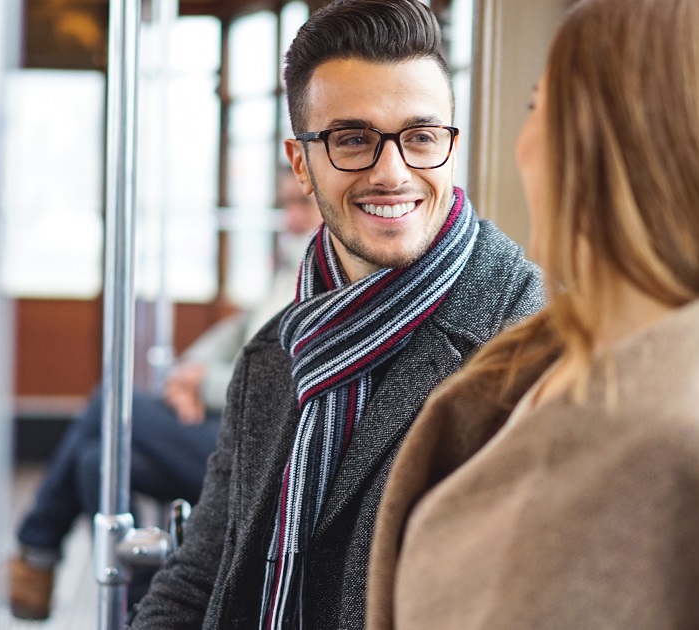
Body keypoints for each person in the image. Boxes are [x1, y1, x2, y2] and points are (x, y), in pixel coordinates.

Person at [367, 0, 699, 628]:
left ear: (616, 147)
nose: (523, 144)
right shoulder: (560, 368)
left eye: (540, 105)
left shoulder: (687, 449)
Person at [130, 1, 544, 628]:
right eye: (352, 140)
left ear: (451, 147)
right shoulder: (275, 354)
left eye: (421, 137)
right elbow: (200, 574)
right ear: (301, 165)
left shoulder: (530, 343)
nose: (393, 172)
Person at [7, 175, 322, 621]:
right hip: (225, 420)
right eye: (284, 204)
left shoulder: (320, 276)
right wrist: (185, 375)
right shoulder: (292, 262)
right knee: (95, 460)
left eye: (300, 205)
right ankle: (137, 605)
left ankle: (36, 547)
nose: (290, 216)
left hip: (260, 449)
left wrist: (202, 383)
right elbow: (236, 334)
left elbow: (284, 375)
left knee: (109, 405)